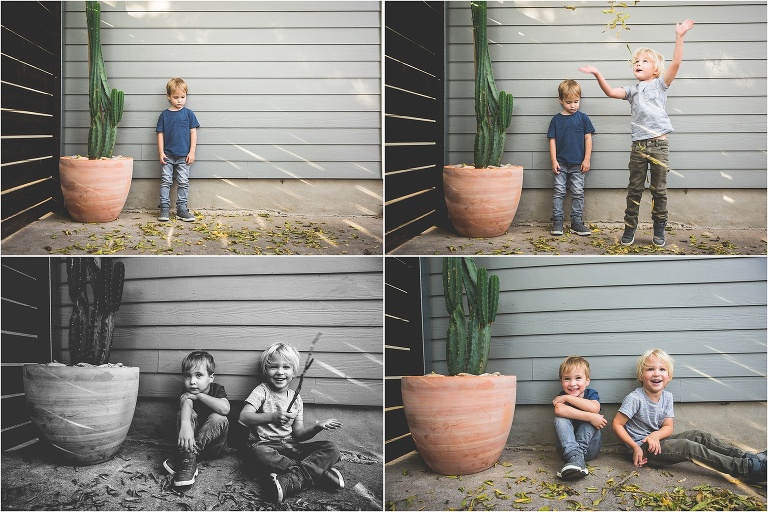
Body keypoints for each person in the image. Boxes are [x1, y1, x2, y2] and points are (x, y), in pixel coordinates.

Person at [579, 19, 695, 247]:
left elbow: (677, 62)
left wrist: (679, 36)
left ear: (656, 68)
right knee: (634, 189)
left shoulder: (661, 85)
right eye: (636, 61)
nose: (638, 64)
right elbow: (611, 92)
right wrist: (596, 74)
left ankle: (659, 228)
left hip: (659, 146)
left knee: (659, 190)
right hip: (639, 147)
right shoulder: (632, 91)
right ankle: (630, 228)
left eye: (644, 61)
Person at [612, 348, 766, 483]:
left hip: (659, 441)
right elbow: (617, 424)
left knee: (699, 436)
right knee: (688, 447)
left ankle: (747, 457)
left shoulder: (667, 397)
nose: (656, 373)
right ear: (641, 375)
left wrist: (656, 435)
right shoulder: (635, 398)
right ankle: (747, 469)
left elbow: (668, 426)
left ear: (669, 376)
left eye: (662, 369)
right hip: (643, 449)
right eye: (650, 369)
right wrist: (635, 447)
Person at [239, 342, 344, 503]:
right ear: (265, 371)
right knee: (257, 455)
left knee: (332, 448)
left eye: (286, 367)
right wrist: (272, 416)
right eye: (274, 367)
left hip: (290, 447)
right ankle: (318, 474)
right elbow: (243, 418)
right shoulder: (262, 391)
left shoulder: (296, 399)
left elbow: (299, 434)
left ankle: (292, 479)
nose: (280, 372)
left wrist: (316, 427)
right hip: (265, 446)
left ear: (294, 372)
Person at [163, 350, 230, 487]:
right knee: (184, 414)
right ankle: (189, 459)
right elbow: (186, 406)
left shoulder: (217, 390)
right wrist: (186, 425)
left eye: (198, 375)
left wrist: (199, 396)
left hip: (214, 448)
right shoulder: (186, 392)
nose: (192, 381)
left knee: (220, 418)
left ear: (211, 377)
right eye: (188, 376)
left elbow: (225, 409)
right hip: (188, 440)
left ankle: (187, 456)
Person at [547, 80, 595, 237]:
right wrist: (554, 160)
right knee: (559, 191)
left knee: (577, 192)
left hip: (578, 164)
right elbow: (552, 140)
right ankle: (557, 222)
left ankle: (576, 222)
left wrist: (586, 159)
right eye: (568, 102)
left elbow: (588, 139)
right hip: (560, 164)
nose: (573, 105)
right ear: (561, 100)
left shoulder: (583, 118)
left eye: (576, 101)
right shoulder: (556, 120)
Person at [552, 356, 606, 480]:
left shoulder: (590, 394)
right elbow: (559, 410)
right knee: (560, 418)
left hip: (589, 449)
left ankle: (577, 459)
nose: (572, 384)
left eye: (578, 378)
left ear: (587, 381)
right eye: (567, 379)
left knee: (593, 417)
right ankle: (575, 458)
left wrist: (568, 398)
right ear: (561, 382)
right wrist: (589, 417)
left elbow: (594, 408)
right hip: (566, 450)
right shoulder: (561, 396)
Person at [157, 77, 200, 222]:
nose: (180, 100)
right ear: (169, 96)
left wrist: (192, 151)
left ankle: (182, 209)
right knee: (166, 181)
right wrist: (161, 152)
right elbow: (160, 134)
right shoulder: (164, 115)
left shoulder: (189, 114)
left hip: (184, 156)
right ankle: (164, 208)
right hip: (168, 155)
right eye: (176, 97)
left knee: (183, 182)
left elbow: (193, 132)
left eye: (183, 97)